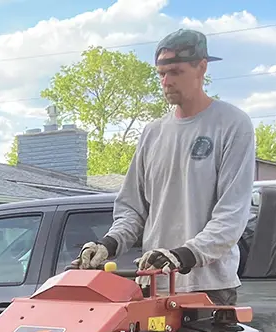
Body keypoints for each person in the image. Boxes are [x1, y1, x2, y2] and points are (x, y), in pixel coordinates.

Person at [75, 29, 256, 305]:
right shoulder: (152, 133)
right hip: (153, 284)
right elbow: (132, 210)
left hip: (208, 288)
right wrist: (108, 244)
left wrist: (184, 254)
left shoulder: (232, 125)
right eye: (161, 74)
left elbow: (231, 217)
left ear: (202, 68)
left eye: (174, 72)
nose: (165, 81)